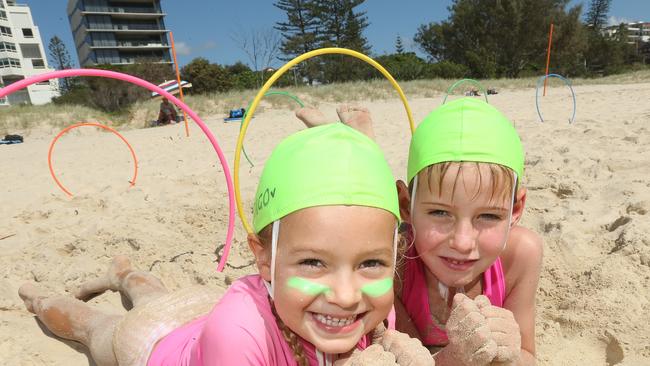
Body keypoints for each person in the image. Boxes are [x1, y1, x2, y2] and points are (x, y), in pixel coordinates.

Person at [18, 121, 433, 365]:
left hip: (202, 308)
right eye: (312, 263)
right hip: (156, 342)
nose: (346, 295)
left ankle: (123, 272)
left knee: (154, 294)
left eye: (371, 264)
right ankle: (39, 297)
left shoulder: (372, 308)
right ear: (263, 259)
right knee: (98, 330)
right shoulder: (236, 335)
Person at [296, 99, 542, 365]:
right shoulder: (394, 262)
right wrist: (456, 356)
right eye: (440, 213)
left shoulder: (521, 254)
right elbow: (409, 357)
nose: (462, 242)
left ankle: (361, 144)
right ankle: (354, 143)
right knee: (367, 215)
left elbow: (528, 355)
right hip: (402, 232)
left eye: (489, 216)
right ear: (406, 205)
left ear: (516, 209)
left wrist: (512, 355)